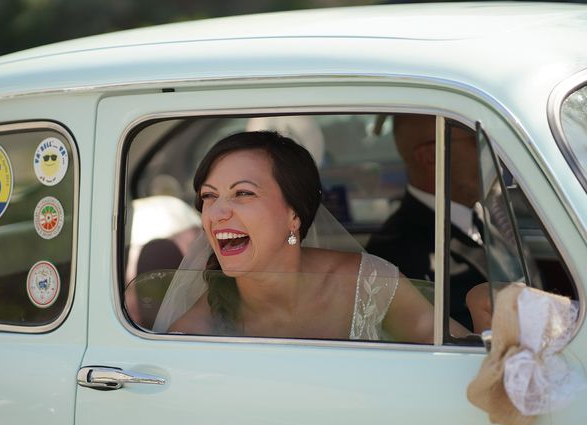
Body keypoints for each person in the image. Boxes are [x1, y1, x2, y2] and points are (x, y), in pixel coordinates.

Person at [156, 130, 473, 342]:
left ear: (294, 214)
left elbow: (461, 355)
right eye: (209, 196)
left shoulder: (369, 283)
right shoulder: (193, 333)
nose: (217, 212)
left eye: (242, 193)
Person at [366, 114, 487, 332]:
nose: (490, 154)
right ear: (431, 155)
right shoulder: (397, 253)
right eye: (476, 142)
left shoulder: (489, 217)